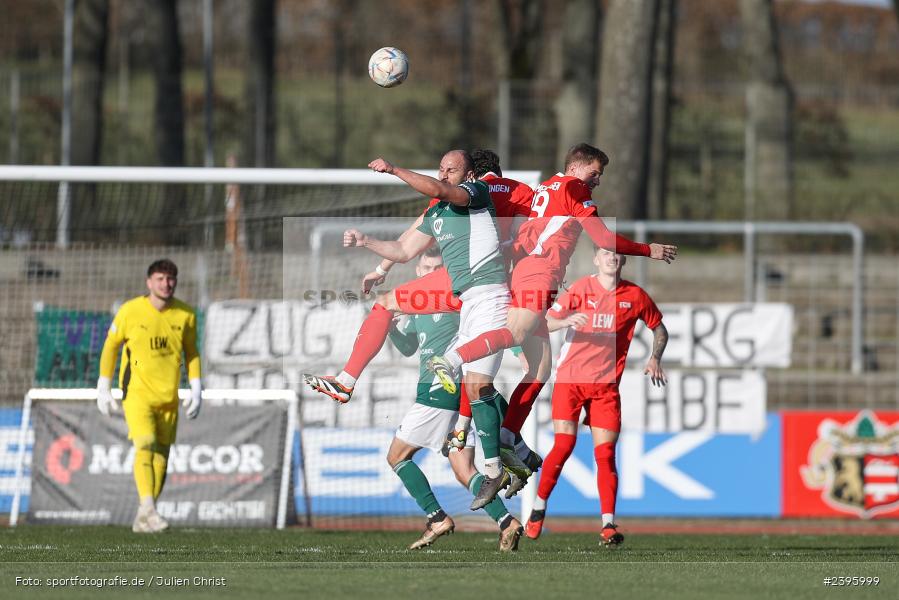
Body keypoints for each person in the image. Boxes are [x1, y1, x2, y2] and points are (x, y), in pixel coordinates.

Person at [428, 143, 677, 479]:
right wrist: (650, 249)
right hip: (537, 272)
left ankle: (504, 436)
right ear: (577, 167)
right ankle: (453, 363)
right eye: (596, 172)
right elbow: (603, 238)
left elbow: (532, 232)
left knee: (540, 368)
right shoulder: (573, 187)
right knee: (513, 338)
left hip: (530, 271)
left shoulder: (546, 186)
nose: (597, 180)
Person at [306, 150, 516, 509]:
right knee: (469, 379)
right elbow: (404, 248)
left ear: (468, 175)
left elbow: (440, 188)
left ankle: (505, 455)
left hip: (489, 289)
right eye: (441, 168)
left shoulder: (475, 194)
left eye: (452, 169)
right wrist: (368, 246)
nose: (444, 173)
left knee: (470, 379)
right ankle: (345, 382)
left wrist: (394, 170)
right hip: (462, 297)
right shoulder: (435, 212)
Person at [524, 246, 668, 546]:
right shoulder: (579, 289)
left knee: (605, 455)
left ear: (623, 260)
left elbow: (659, 329)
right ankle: (538, 508)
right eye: (605, 253)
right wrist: (565, 321)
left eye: (616, 254)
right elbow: (544, 322)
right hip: (570, 380)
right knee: (564, 445)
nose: (611, 257)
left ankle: (607, 525)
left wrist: (655, 358)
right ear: (596, 259)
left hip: (605, 388)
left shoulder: (635, 296)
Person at [385, 247, 523, 551]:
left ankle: (436, 518)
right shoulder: (418, 308)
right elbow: (409, 348)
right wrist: (392, 329)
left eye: (438, 269)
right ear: (418, 272)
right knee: (464, 471)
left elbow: (486, 325)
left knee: (396, 457)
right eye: (427, 268)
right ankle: (506, 522)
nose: (432, 273)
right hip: (460, 400)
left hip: (438, 392)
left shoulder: (457, 302)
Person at [96, 259, 202, 533]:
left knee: (162, 455)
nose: (166, 284)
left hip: (169, 397)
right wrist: (104, 385)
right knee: (145, 444)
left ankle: (145, 515)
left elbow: (191, 353)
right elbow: (111, 347)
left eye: (171, 279)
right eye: (160, 278)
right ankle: (150, 510)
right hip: (137, 394)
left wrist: (196, 387)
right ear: (149, 282)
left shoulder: (186, 314)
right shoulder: (130, 311)